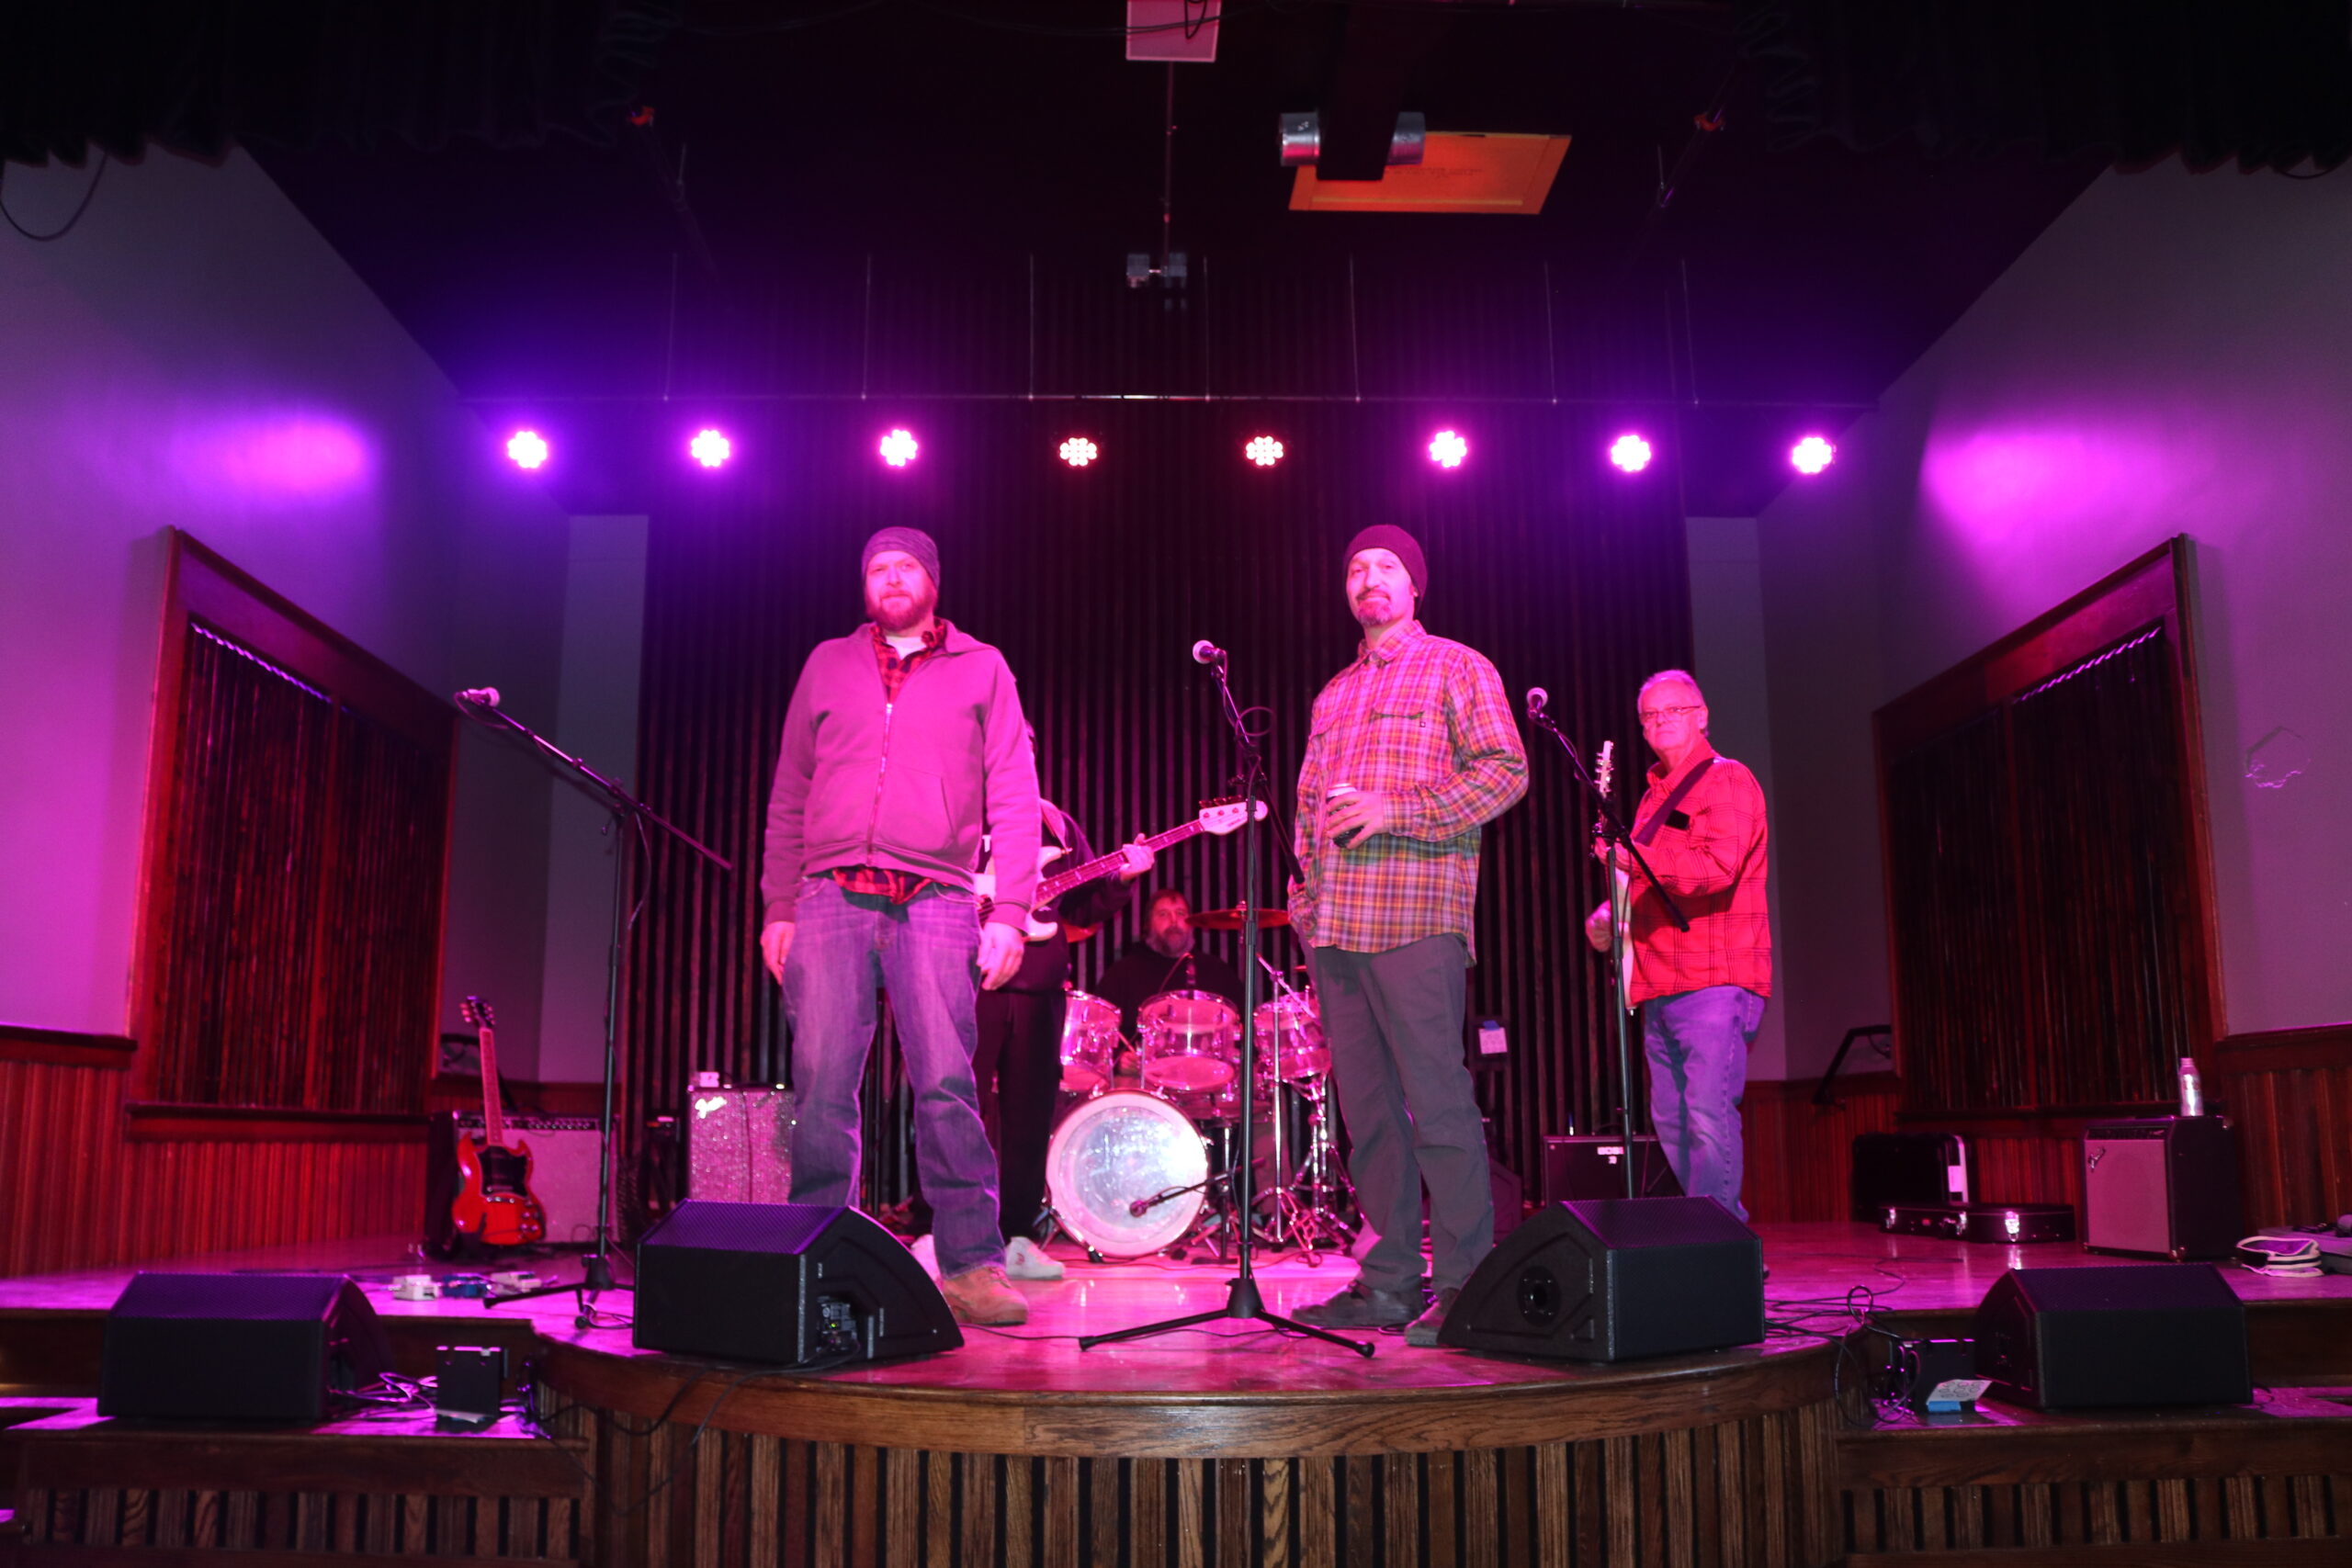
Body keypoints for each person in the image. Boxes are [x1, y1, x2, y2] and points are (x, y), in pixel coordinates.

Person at [759, 526, 1041, 1327]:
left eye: (905, 566)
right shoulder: (827, 663)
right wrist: (778, 905)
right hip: (828, 894)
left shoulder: (982, 666)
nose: (890, 577)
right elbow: (789, 792)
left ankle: (972, 1265)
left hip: (938, 898)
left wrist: (1011, 911)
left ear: (932, 582)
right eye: (877, 567)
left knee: (948, 1083)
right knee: (821, 1087)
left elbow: (1014, 790)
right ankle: (818, 1257)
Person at [1288, 525, 1528, 1345]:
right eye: (1356, 568)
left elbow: (1505, 770)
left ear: (1414, 585)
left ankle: (1465, 1284)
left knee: (1436, 1100)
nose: (1369, 578)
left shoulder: (1457, 666)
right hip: (1335, 926)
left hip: (1416, 914)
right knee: (1368, 1114)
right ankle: (1390, 1278)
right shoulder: (1332, 694)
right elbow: (1309, 805)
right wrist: (1304, 897)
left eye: (1386, 566)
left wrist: (1399, 810)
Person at [1584, 669, 1770, 1221]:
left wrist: (1632, 857)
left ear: (1702, 716)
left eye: (1675, 710)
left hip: (1714, 976)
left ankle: (1721, 1241)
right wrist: (1610, 915)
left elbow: (1717, 868)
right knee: (1673, 1122)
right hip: (1658, 980)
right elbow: (1651, 884)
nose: (1661, 721)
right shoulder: (1649, 800)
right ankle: (1699, 1232)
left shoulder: (1727, 779)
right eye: (1651, 715)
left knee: (1708, 1116)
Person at [973, 773, 1152, 1279]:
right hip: (969, 977)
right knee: (955, 1106)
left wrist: (1122, 880)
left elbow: (1083, 905)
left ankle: (1017, 1238)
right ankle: (938, 1229)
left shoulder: (1055, 822)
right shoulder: (956, 807)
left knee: (1030, 1119)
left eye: (1025, 743)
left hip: (1039, 985)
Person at [1092, 886, 1247, 1044]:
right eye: (1163, 914)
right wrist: (1122, 1056)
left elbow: (1244, 1030)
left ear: (1191, 923)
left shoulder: (1217, 972)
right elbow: (1099, 1030)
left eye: (1180, 913)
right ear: (1148, 924)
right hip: (1141, 1061)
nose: (1174, 921)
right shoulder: (1122, 974)